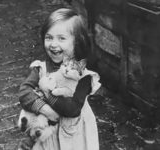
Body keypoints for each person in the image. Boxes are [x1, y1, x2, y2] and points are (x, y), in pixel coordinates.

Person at [18, 8, 101, 150]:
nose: (53, 44)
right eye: (49, 37)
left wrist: (46, 92)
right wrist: (45, 109)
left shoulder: (82, 76)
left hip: (73, 140)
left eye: (61, 38)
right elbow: (25, 92)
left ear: (77, 42)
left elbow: (72, 109)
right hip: (47, 141)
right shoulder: (41, 68)